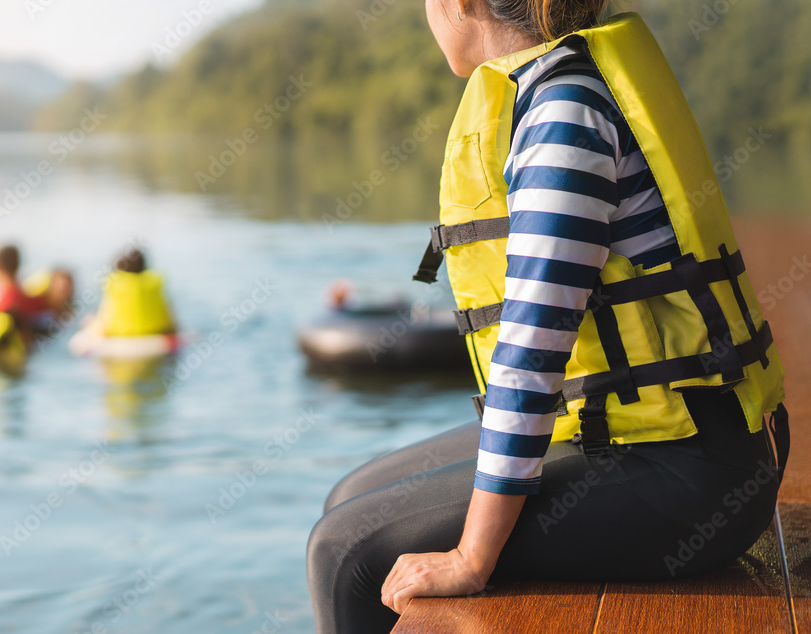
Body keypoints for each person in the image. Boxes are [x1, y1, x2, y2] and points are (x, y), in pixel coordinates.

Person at [306, 3, 788, 633]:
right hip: (637, 433)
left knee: (344, 552)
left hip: (689, 469)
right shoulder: (547, 93)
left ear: (461, 4)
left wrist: (472, 556)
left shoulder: (564, 113)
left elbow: (531, 354)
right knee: (349, 498)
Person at [82, 248, 176, 338]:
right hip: (156, 335)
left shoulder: (114, 285)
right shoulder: (154, 283)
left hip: (120, 338)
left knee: (89, 319)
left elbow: (105, 320)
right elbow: (170, 319)